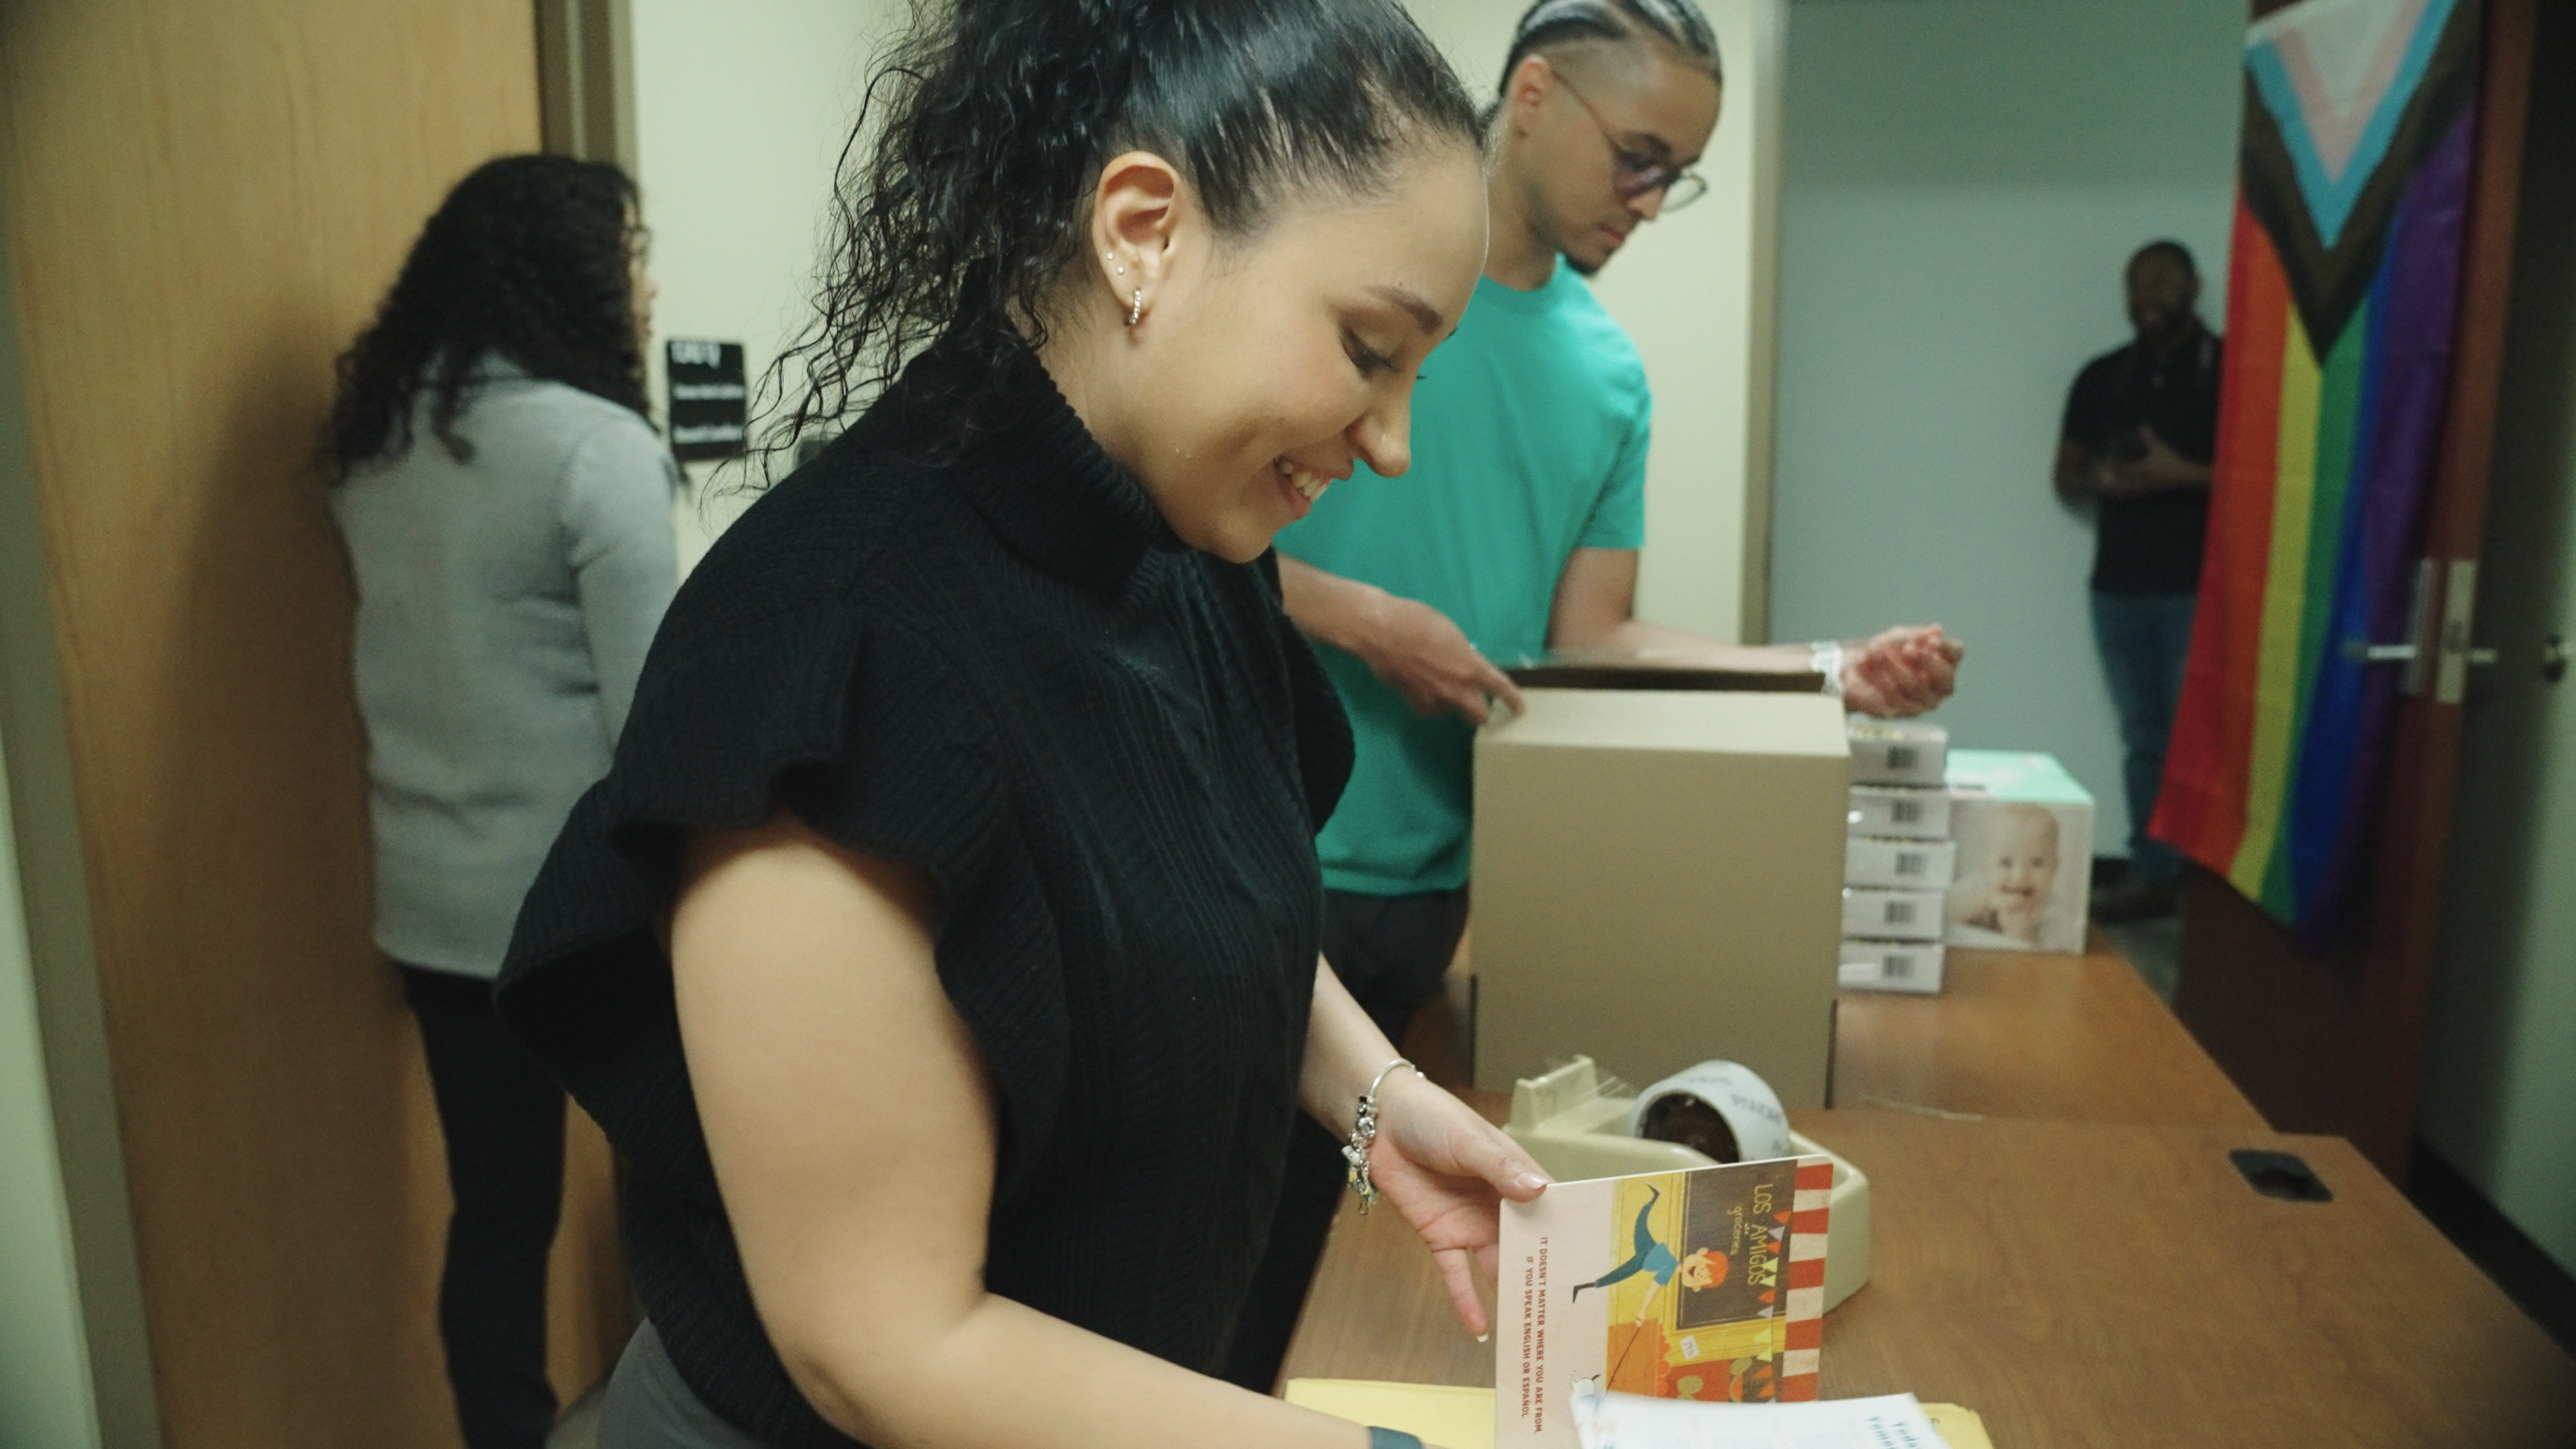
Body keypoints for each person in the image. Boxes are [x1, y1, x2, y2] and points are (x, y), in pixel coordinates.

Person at [492, 4, 1552, 1446]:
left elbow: (1177, 901)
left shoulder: (1190, 554)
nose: (1393, 441)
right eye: (1372, 349)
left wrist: (1379, 1096)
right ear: (1142, 230)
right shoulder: (832, 652)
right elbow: (888, 1346)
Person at [1226, 0, 1962, 1390]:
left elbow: (1599, 634)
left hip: (1432, 879)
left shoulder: (1606, 369)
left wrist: (1825, 670)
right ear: (1536, 95)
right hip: (1250, 837)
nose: (1651, 201)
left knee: (1376, 1283)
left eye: (1675, 173)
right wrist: (1367, 619)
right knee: (1223, 1268)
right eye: (1637, 155)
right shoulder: (1344, 291)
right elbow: (1179, 535)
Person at [326, 154, 678, 1449]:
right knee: (685, 1190)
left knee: (498, 1219)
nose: (648, 287)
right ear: (571, 275)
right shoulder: (597, 449)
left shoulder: (379, 439)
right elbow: (660, 732)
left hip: (431, 915)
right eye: (633, 256)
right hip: (582, 917)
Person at [2053, 240, 2222, 924]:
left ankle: (2209, 893)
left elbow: (2270, 477)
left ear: (2195, 286)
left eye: (2162, 281)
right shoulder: (2102, 377)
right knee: (2145, 737)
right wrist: (2105, 479)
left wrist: (2184, 474)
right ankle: (2152, 876)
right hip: (2118, 589)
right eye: (2135, 285)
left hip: (2200, 589)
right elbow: (2065, 475)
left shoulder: (2234, 368)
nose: (2147, 296)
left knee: (2204, 739)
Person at [1945, 804, 2061, 946]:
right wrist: (1986, 901)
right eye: (2006, 863)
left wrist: (2023, 934)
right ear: (1985, 865)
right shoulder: (1976, 886)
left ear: (2054, 868)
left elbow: (2048, 955)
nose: (2020, 876)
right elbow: (1943, 916)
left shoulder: (2051, 911)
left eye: (2037, 863)